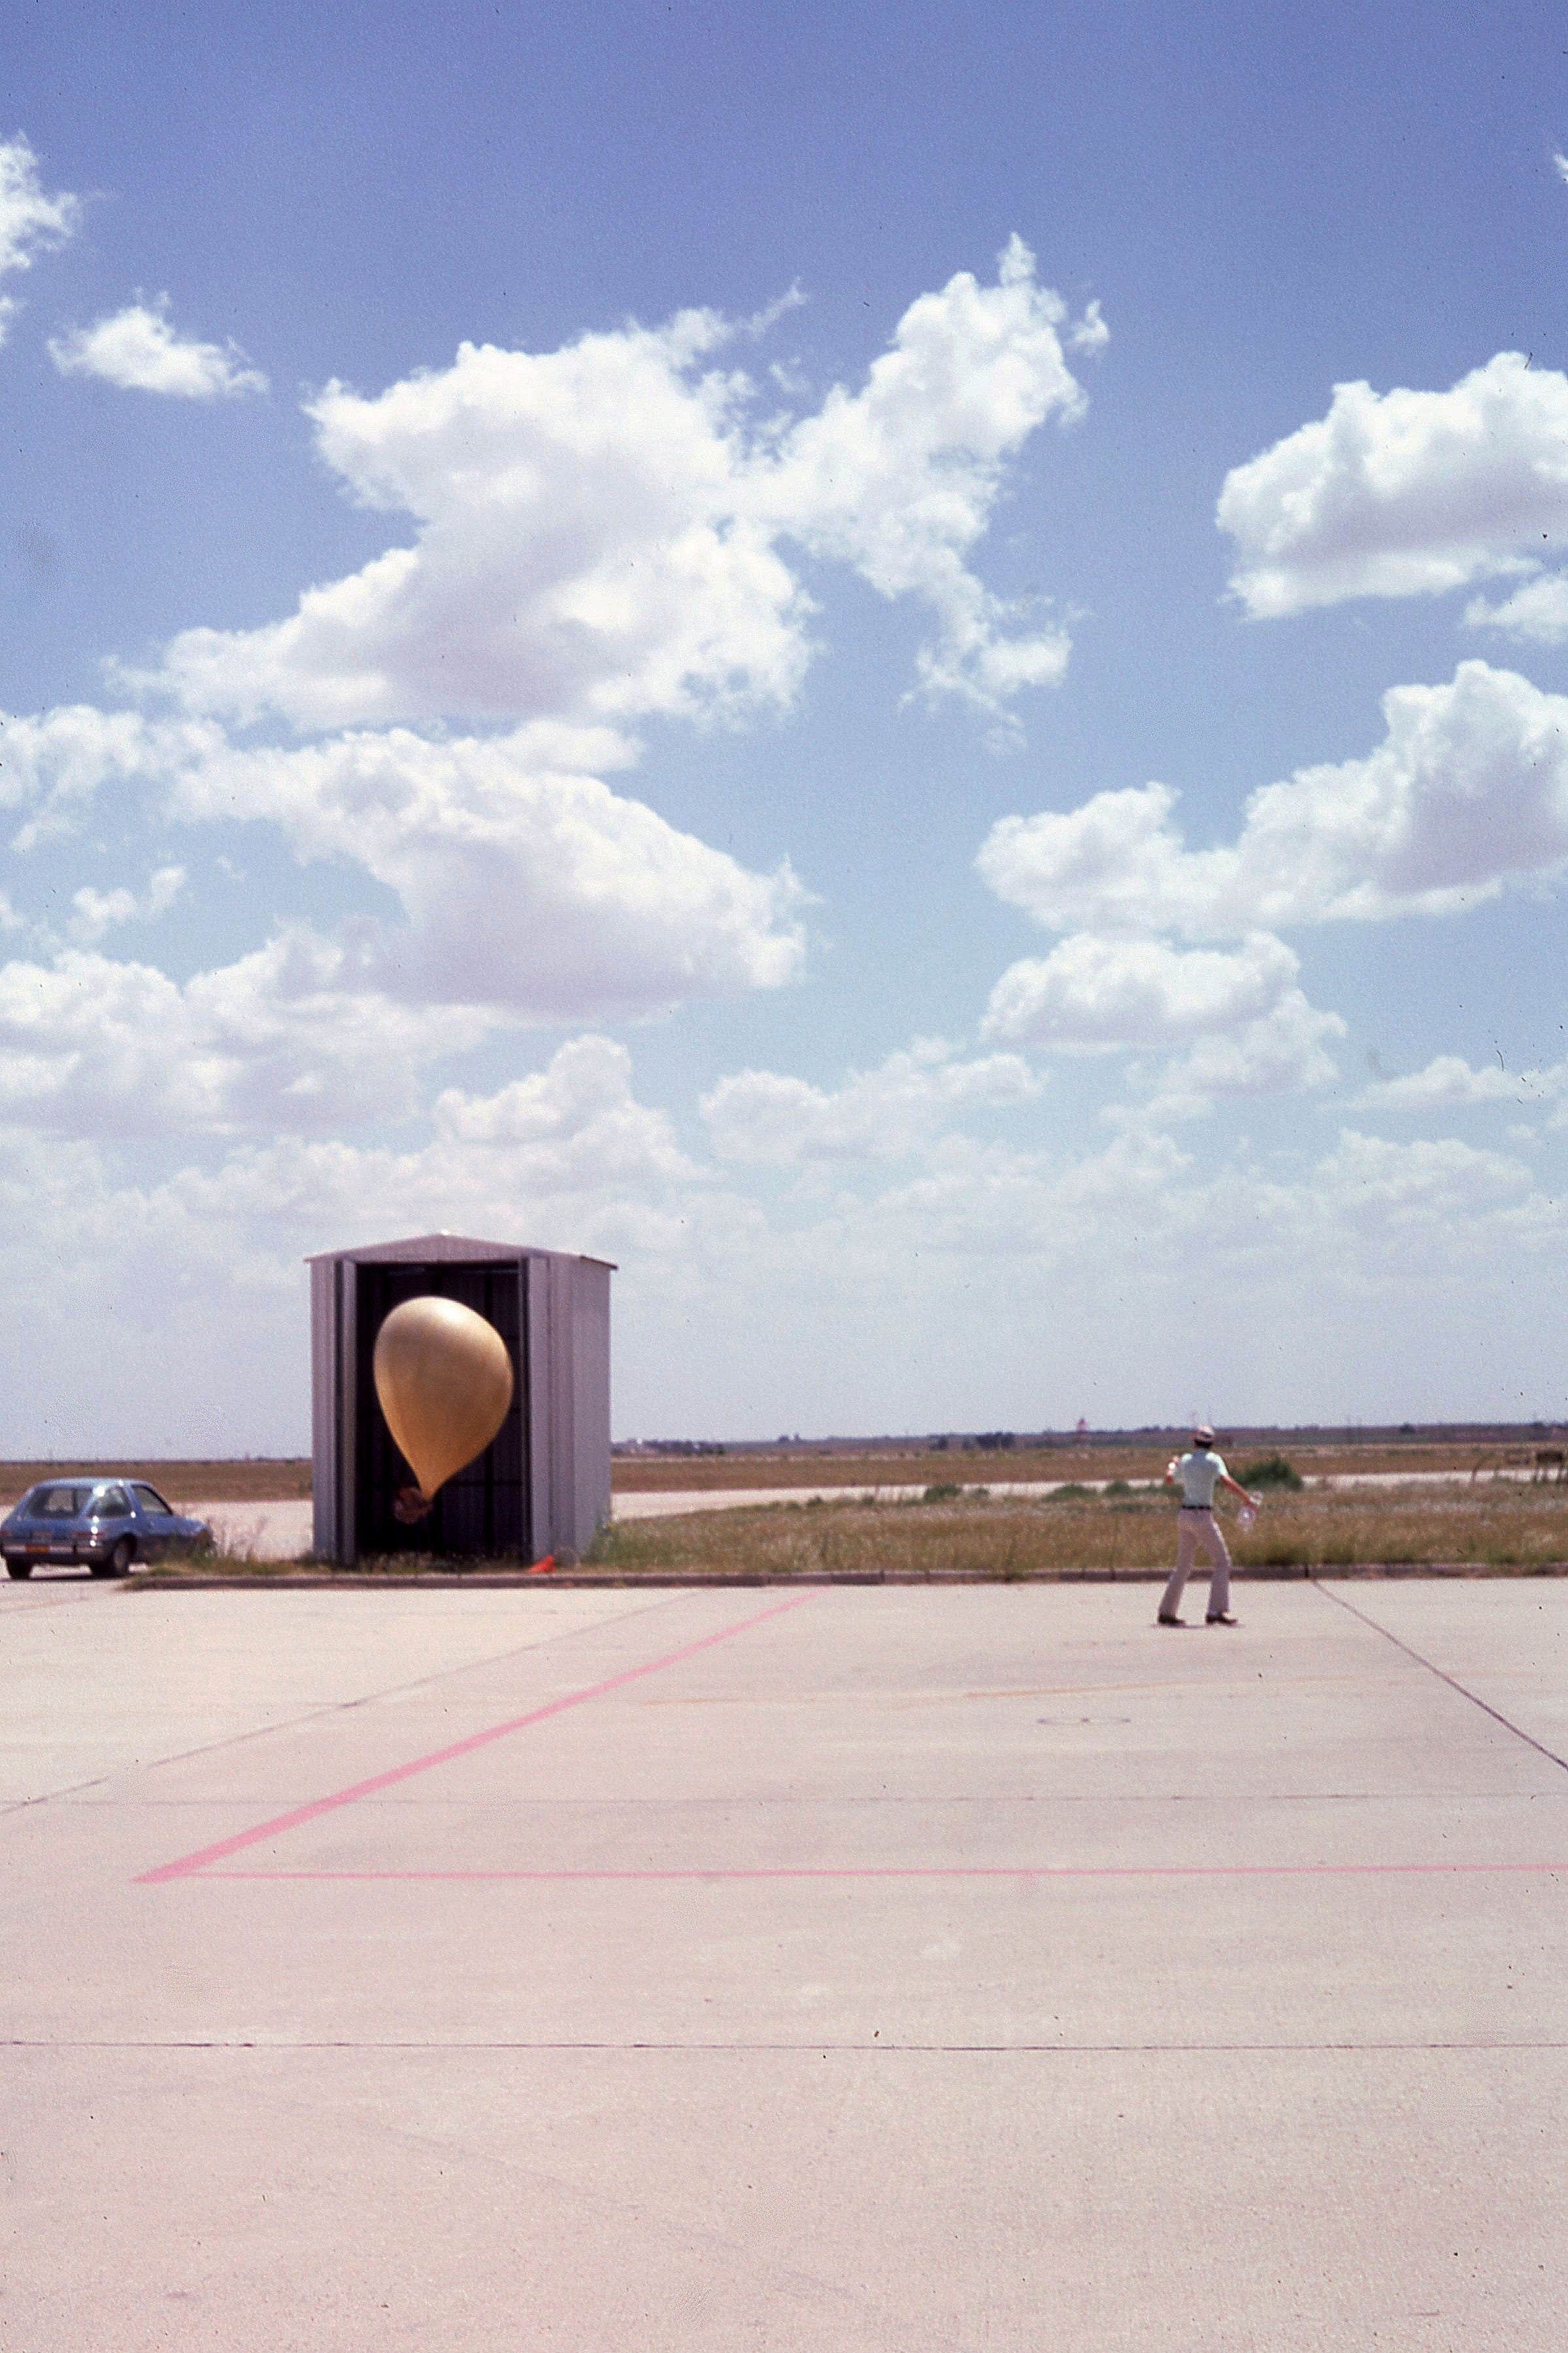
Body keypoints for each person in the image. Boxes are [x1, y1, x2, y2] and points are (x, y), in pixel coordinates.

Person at [1158, 1427, 1253, 1626]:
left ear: (1195, 1441)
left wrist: (1172, 1464)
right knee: (1222, 1562)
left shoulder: (1185, 1460)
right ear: (1211, 1443)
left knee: (1183, 1566)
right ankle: (1215, 1611)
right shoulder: (1214, 1460)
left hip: (1185, 1515)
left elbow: (1169, 1479)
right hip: (1203, 1516)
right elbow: (1226, 1480)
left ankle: (1166, 1612)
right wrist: (1247, 1499)